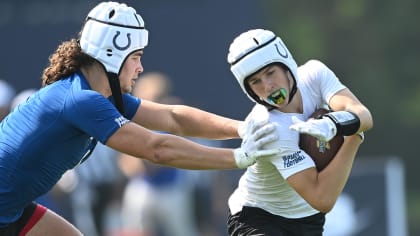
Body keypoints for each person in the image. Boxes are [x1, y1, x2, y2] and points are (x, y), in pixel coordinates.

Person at [0, 3, 280, 235]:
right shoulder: (83, 101)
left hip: (11, 210)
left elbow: (173, 119)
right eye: (135, 57)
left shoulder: (97, 95)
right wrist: (241, 157)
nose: (140, 67)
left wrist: (244, 128)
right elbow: (157, 149)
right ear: (112, 54)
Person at [225, 29, 373, 235]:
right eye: (255, 82)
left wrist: (332, 124)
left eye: (270, 73)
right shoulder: (267, 126)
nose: (267, 87)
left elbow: (363, 115)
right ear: (249, 90)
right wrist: (353, 136)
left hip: (307, 218)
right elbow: (323, 198)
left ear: (286, 64)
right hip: (259, 217)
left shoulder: (315, 74)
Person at [118, 72, 200, 236]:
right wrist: (140, 164)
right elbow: (125, 162)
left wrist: (157, 159)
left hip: (172, 188)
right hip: (143, 187)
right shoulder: (131, 121)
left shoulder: (174, 120)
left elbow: (177, 153)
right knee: (135, 229)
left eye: (157, 97)